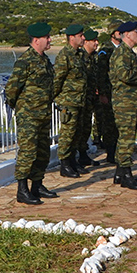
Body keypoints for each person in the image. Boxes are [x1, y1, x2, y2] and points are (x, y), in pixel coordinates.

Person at [5, 21, 57, 205]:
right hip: (29, 115)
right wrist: (21, 107)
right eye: (46, 37)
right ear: (36, 40)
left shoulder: (44, 60)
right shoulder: (25, 61)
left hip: (43, 114)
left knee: (43, 151)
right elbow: (12, 89)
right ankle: (22, 190)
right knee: (28, 152)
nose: (49, 40)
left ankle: (37, 185)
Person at [109, 20, 137, 189]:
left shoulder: (128, 53)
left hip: (129, 100)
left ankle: (120, 172)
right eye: (136, 32)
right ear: (127, 35)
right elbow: (125, 74)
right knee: (127, 139)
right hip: (124, 102)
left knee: (126, 137)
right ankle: (126, 174)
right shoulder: (122, 54)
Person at [53, 24, 88, 178]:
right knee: (67, 133)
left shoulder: (79, 54)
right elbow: (57, 80)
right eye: (81, 35)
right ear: (72, 37)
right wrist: (55, 99)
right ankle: (65, 164)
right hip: (69, 101)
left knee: (77, 133)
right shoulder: (64, 55)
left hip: (79, 100)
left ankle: (73, 161)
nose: (83, 38)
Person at [94, 26, 121, 164]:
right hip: (109, 92)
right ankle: (110, 153)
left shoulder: (122, 49)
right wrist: (102, 93)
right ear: (112, 34)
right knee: (109, 124)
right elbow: (101, 73)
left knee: (118, 124)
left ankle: (117, 151)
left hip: (119, 93)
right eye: (118, 32)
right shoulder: (106, 50)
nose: (121, 34)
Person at [78, 28, 100, 167]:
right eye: (94, 41)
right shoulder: (80, 57)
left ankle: (83, 155)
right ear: (86, 41)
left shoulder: (94, 57)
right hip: (81, 99)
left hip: (91, 98)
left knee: (86, 128)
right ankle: (74, 159)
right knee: (78, 129)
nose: (97, 43)